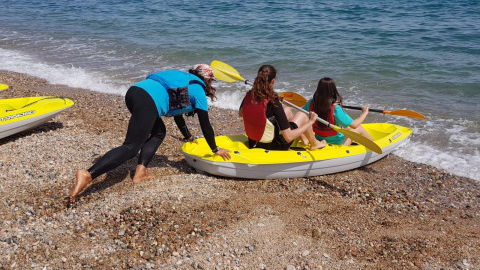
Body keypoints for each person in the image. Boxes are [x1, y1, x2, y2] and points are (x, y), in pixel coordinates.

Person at [69, 64, 231, 203]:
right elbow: (206, 125)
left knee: (159, 132)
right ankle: (88, 174)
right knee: (131, 146)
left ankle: (140, 172)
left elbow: (177, 114)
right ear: (206, 80)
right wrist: (216, 149)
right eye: (210, 81)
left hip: (134, 92)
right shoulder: (198, 90)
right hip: (148, 100)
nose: (210, 84)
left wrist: (188, 136)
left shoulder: (182, 78)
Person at [239, 65, 325, 151]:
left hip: (253, 141)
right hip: (273, 145)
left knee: (287, 111)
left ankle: (303, 137)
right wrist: (310, 121)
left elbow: (241, 114)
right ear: (273, 81)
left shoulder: (249, 95)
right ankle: (314, 143)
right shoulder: (274, 103)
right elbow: (288, 137)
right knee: (302, 115)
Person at [303, 77, 374, 146]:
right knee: (359, 128)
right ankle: (375, 144)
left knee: (345, 127)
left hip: (319, 138)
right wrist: (365, 112)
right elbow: (355, 125)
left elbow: (302, 115)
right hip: (338, 142)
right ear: (333, 90)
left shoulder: (311, 103)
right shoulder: (335, 109)